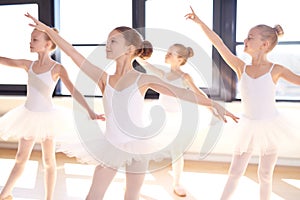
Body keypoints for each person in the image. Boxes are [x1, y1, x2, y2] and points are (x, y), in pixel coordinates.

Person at [26, 13, 239, 200]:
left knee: (131, 195)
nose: (107, 45)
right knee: (93, 195)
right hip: (111, 144)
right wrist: (46, 30)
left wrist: (212, 104)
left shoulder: (142, 80)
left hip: (138, 145)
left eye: (113, 41)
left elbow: (182, 92)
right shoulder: (103, 78)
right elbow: (72, 53)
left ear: (129, 49)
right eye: (107, 41)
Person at [185, 6, 300, 200]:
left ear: (264, 44)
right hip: (247, 125)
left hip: (270, 126)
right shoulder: (241, 67)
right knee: (235, 172)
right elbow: (219, 44)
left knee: (265, 174)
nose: (245, 40)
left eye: (250, 37)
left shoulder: (276, 69)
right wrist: (199, 22)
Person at [0, 27, 104, 200]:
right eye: (31, 39)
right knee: (20, 158)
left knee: (49, 161)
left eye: (35, 39)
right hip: (27, 116)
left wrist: (91, 111)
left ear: (48, 44)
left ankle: (49, 198)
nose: (30, 42)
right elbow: (6, 60)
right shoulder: (29, 65)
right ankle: (5, 194)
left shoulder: (57, 68)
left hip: (48, 118)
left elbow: (74, 91)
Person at [136, 43, 211, 197]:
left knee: (177, 152)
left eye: (171, 53)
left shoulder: (185, 77)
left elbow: (198, 94)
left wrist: (213, 107)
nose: (167, 54)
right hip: (159, 117)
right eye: (168, 51)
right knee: (145, 147)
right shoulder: (163, 73)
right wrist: (135, 53)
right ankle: (134, 181)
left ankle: (177, 183)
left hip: (176, 119)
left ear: (180, 59)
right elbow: (145, 64)